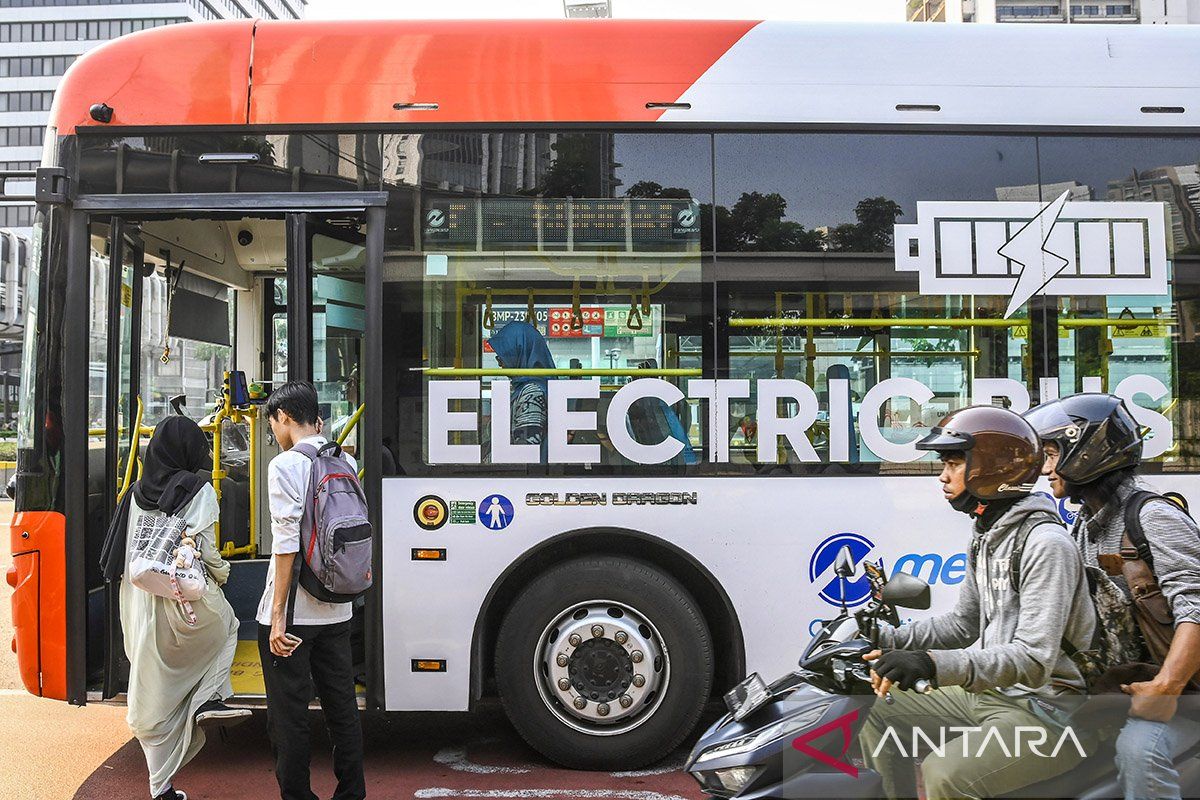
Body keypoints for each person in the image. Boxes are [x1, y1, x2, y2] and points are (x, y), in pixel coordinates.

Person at [858, 405, 1096, 800]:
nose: (942, 475)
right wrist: (884, 637)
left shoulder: (1045, 544)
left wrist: (932, 665)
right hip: (990, 695)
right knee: (873, 706)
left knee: (944, 773)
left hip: (1048, 711)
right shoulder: (987, 533)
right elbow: (962, 625)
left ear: (990, 469)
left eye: (953, 463)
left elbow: (1034, 660)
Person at [1025, 393, 1200, 800]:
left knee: (1140, 751)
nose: (1045, 469)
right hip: (1126, 686)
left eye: (1053, 454)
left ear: (1087, 454)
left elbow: (1196, 606)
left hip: (1184, 693)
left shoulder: (1153, 517)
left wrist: (1166, 688)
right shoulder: (1086, 524)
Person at [100, 415, 249, 800]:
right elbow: (208, 551)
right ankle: (209, 698)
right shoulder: (197, 489)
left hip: (138, 599)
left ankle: (161, 789)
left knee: (152, 690)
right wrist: (222, 572)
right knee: (228, 625)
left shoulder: (133, 492)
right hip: (182, 599)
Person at [257, 380, 365, 800]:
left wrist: (279, 615)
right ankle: (351, 794)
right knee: (342, 709)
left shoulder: (284, 466)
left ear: (284, 418)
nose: (274, 434)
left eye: (273, 425)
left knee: (289, 716)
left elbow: (286, 545)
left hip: (295, 615)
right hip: (338, 608)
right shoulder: (346, 462)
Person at [488, 321, 554, 457]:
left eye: (503, 356)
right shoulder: (533, 386)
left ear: (519, 352)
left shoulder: (532, 392)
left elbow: (524, 450)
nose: (500, 363)